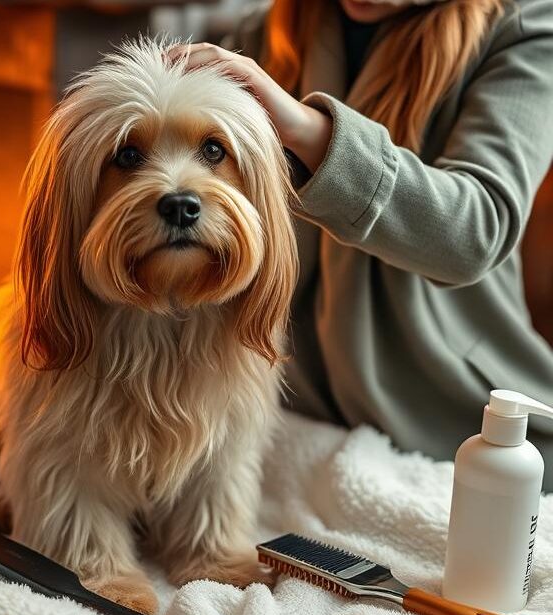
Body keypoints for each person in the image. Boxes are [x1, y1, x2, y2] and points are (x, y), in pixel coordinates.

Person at [168, 0, 553, 487]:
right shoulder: (267, 31)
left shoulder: (526, 29)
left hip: (449, 420)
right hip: (293, 407)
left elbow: (476, 230)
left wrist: (307, 131)